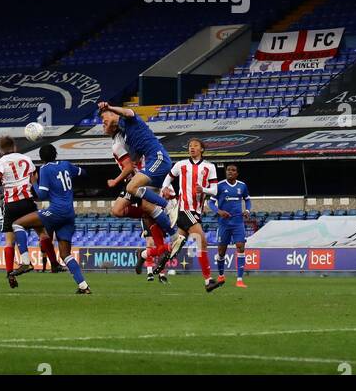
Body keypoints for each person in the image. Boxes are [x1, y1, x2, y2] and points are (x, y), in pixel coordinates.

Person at [99, 101, 180, 267]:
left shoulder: (129, 120)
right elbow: (134, 160)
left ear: (115, 115)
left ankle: (169, 205)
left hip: (158, 159)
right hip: (149, 167)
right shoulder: (126, 136)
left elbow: (127, 112)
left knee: (132, 190)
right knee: (147, 207)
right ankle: (173, 237)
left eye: (103, 118)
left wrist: (110, 108)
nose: (102, 121)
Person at [11, 144, 90, 294]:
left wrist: (33, 182)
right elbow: (83, 173)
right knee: (65, 254)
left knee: (17, 225)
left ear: (42, 158)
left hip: (56, 211)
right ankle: (83, 286)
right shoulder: (66, 164)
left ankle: (26, 262)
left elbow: (42, 195)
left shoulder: (45, 169)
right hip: (69, 214)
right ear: (56, 154)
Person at [0, 135, 48, 289]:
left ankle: (9, 273)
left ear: (0, 150)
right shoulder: (26, 159)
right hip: (28, 202)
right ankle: (52, 263)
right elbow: (34, 177)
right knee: (42, 233)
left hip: (11, 204)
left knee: (9, 241)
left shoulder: (0, 162)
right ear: (14, 147)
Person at [163, 138, 219, 291]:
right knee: (201, 239)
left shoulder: (210, 167)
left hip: (197, 211)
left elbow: (214, 190)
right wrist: (164, 188)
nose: (192, 148)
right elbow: (168, 177)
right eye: (190, 146)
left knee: (177, 244)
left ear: (202, 149)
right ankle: (208, 280)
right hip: (184, 209)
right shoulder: (181, 165)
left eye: (195, 146)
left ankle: (150, 258)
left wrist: (204, 190)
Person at [209, 164, 252, 289]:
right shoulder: (219, 186)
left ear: (237, 173)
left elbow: (248, 200)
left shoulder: (242, 186)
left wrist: (247, 211)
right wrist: (219, 211)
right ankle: (221, 276)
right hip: (224, 223)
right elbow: (210, 202)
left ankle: (239, 280)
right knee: (221, 251)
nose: (230, 172)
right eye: (228, 170)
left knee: (241, 247)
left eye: (233, 170)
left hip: (238, 222)